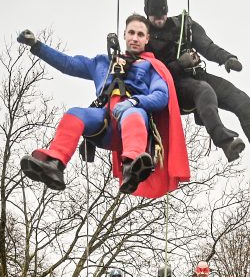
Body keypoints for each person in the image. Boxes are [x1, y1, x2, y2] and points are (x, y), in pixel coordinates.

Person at [18, 15, 189, 197]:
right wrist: (37, 46)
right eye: (131, 33)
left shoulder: (151, 67)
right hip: (105, 124)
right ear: (124, 35)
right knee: (74, 114)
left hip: (132, 127)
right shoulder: (103, 63)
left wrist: (135, 101)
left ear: (147, 39)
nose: (135, 38)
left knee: (133, 114)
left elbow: (161, 95)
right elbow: (68, 64)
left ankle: (132, 165)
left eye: (140, 34)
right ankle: (54, 164)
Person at [143, 0, 250, 176]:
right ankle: (226, 143)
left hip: (196, 75)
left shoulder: (183, 24)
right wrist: (180, 64)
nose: (160, 20)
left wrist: (227, 58)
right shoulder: (143, 34)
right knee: (204, 90)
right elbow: (149, 73)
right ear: (147, 14)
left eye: (162, 15)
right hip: (173, 86)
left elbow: (207, 45)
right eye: (155, 17)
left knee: (242, 100)